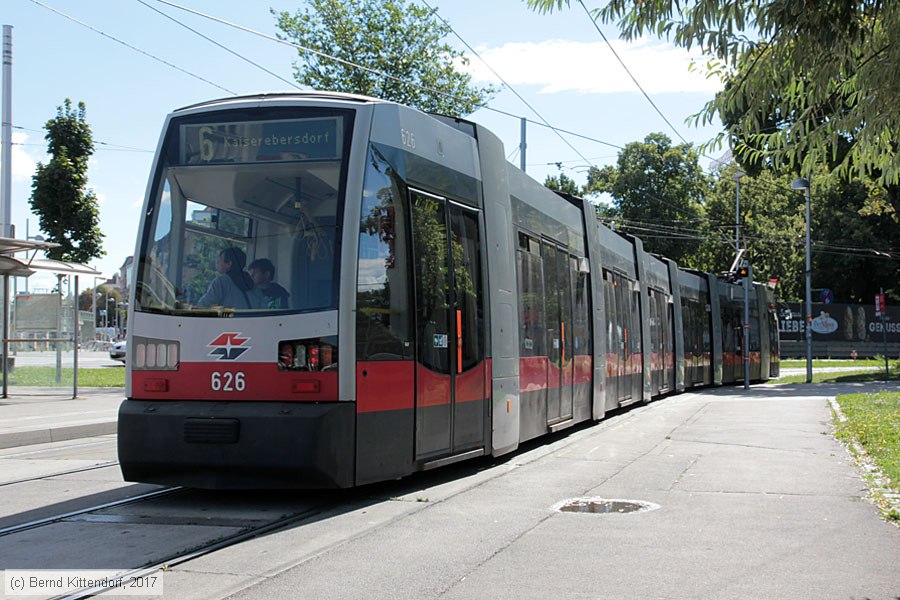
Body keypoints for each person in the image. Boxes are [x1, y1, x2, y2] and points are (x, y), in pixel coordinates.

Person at [197, 247, 262, 309]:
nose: (217, 263)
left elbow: (203, 306)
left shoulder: (221, 282)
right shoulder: (252, 283)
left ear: (229, 263)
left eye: (219, 260)